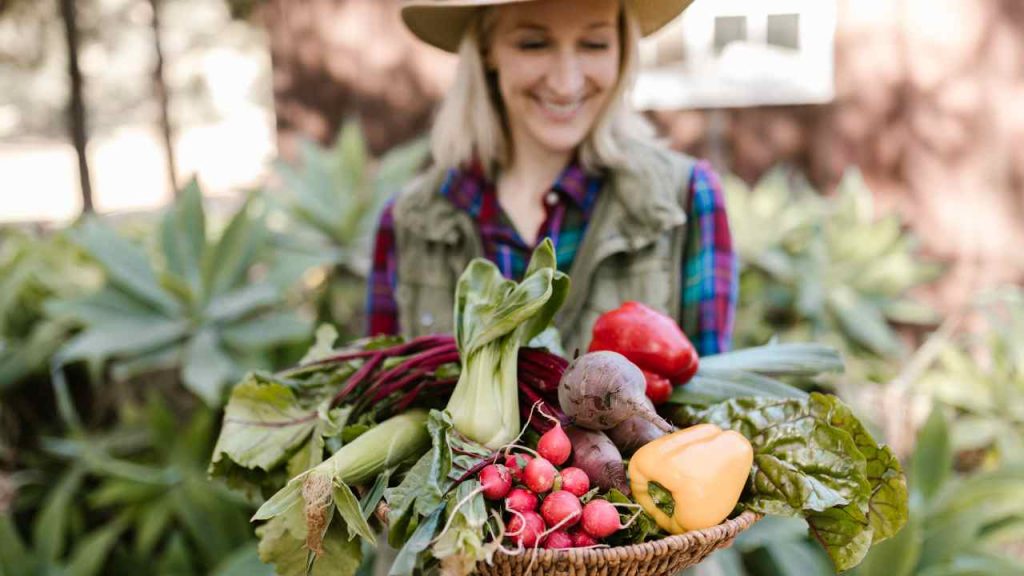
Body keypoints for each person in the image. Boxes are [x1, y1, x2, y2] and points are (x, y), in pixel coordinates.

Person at [366, 0, 736, 356]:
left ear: (622, 49)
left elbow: (708, 408)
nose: (565, 82)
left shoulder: (685, 199)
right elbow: (378, 404)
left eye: (593, 44)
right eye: (534, 44)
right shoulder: (408, 221)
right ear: (485, 50)